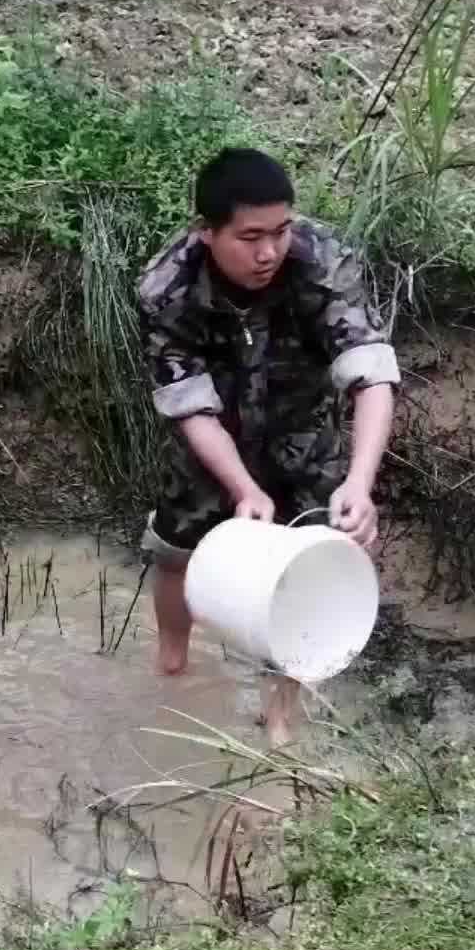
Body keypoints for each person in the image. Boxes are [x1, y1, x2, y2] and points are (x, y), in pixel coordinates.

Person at [135, 147, 400, 749]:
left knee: (306, 564)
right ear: (207, 233)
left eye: (280, 232)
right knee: (176, 547)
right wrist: (242, 489)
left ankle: (280, 722)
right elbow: (189, 401)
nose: (268, 252)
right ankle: (171, 661)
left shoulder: (323, 261)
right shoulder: (165, 287)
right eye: (249, 237)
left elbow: (372, 374)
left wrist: (360, 483)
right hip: (215, 435)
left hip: (302, 425)